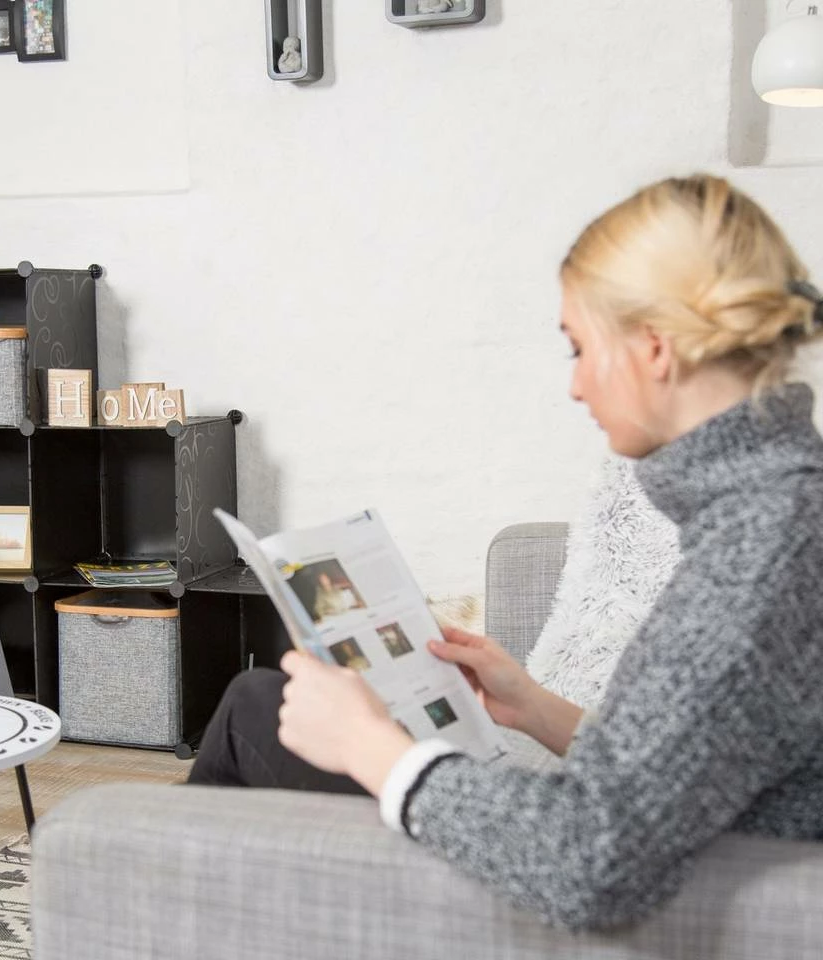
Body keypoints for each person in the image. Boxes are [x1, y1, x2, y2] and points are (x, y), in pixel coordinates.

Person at [189, 174, 823, 929]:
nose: (576, 386)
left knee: (251, 709)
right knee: (261, 703)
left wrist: (371, 748)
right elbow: (689, 767)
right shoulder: (779, 511)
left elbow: (592, 861)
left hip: (590, 917)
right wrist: (533, 707)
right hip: (688, 874)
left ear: (654, 348)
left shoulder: (762, 549)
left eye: (579, 348)